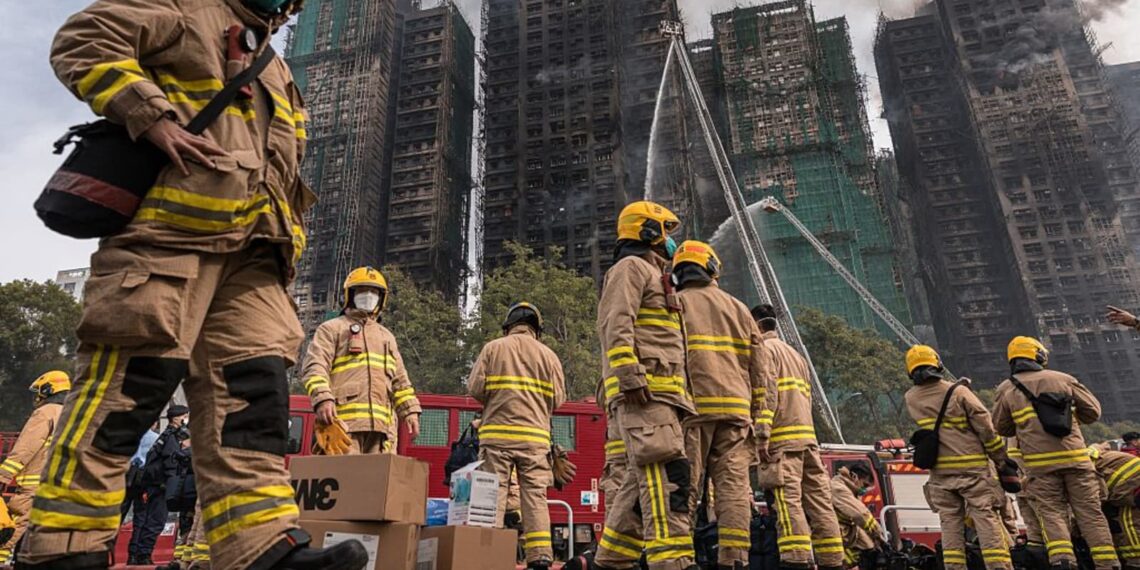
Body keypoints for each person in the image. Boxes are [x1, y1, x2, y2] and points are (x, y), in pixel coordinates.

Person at [26, 0, 367, 567]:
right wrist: (152, 116)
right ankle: (65, 549)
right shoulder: (186, 7)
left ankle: (260, 548)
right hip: (168, 245)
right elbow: (85, 37)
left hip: (255, 263)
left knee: (253, 409)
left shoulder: (276, 68)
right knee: (121, 402)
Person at [594, 201, 697, 570]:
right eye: (665, 231)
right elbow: (616, 322)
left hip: (662, 396)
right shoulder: (631, 268)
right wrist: (630, 375)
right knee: (664, 478)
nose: (671, 241)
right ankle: (673, 562)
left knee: (636, 491)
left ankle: (610, 562)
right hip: (646, 395)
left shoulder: (655, 275)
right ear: (648, 231)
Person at [672, 241, 774, 570]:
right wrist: (759, 417)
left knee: (684, 487)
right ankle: (734, 559)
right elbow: (760, 369)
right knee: (733, 491)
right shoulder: (739, 308)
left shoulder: (673, 304)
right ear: (712, 268)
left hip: (692, 411)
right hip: (736, 414)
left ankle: (681, 558)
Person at [992, 337, 1118, 570]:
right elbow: (1093, 412)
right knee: (1090, 514)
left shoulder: (1006, 389)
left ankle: (1063, 562)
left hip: (1040, 468)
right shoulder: (1063, 379)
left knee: (1052, 514)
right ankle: (1108, 563)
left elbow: (1001, 427)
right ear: (1039, 355)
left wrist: (1027, 426)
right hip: (1077, 462)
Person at [468, 302, 566, 570]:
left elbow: (475, 388)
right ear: (537, 329)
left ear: (508, 326)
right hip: (535, 441)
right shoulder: (549, 356)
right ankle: (540, 556)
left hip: (496, 438)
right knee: (535, 497)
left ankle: (488, 555)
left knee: (492, 494)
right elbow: (558, 399)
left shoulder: (492, 348)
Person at [904, 345, 1013, 570]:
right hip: (973, 470)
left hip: (940, 474)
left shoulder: (911, 398)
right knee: (986, 519)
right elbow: (985, 427)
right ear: (937, 364)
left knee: (950, 524)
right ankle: (998, 566)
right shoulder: (958, 392)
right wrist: (1000, 459)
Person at [752, 304, 844, 570]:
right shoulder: (796, 356)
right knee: (820, 505)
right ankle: (832, 561)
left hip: (782, 443)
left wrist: (762, 434)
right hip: (808, 442)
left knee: (787, 503)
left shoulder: (765, 351)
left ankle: (796, 560)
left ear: (757, 325)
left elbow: (767, 394)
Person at [302, 266, 422, 454]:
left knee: (378, 474)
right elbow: (315, 367)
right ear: (350, 295)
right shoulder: (331, 329)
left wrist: (410, 410)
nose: (368, 296)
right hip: (343, 425)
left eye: (374, 292)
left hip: (382, 431)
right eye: (362, 291)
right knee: (343, 472)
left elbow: (400, 381)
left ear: (381, 298)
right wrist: (322, 398)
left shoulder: (387, 337)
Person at [0, 372, 70, 563]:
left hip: (37, 483)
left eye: (39, 392)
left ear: (48, 390)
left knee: (12, 526)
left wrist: (3, 476)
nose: (37, 397)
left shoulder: (45, 413)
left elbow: (25, 448)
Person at [128, 405, 189, 565]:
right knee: (157, 521)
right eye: (185, 416)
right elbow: (171, 462)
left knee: (147, 520)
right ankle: (144, 555)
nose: (186, 419)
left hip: (154, 484)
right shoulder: (171, 437)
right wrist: (173, 484)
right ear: (175, 418)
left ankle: (139, 554)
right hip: (161, 485)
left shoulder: (165, 436)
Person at [1088, 444, 1140, 570]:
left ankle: (1135, 561)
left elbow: (1096, 499)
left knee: (1128, 523)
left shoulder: (1085, 466)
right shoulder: (1098, 457)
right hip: (1131, 485)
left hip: (1132, 487)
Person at [829, 464, 882, 570]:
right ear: (854, 476)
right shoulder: (838, 488)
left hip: (845, 533)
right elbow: (860, 514)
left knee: (869, 551)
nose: (865, 489)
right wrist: (879, 535)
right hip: (834, 534)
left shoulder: (851, 490)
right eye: (865, 484)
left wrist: (873, 545)